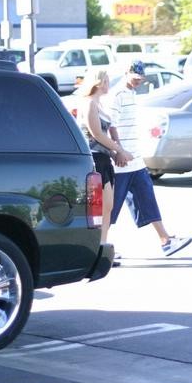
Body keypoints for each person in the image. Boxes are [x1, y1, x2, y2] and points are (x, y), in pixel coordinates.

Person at [105, 60, 192, 257]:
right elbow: (111, 125)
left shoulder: (132, 94)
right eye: (135, 79)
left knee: (147, 199)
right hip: (121, 164)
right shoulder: (117, 95)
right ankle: (100, 246)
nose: (138, 82)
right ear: (127, 73)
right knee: (111, 209)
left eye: (141, 80)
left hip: (135, 161)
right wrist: (118, 150)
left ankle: (166, 240)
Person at [75, 68, 132, 251]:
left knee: (108, 206)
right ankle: (94, 246)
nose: (109, 84)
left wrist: (115, 154)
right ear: (98, 82)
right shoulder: (88, 103)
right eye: (106, 80)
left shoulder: (100, 104)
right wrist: (120, 150)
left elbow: (108, 131)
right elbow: (97, 134)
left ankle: (103, 245)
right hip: (94, 159)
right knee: (96, 209)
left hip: (105, 158)